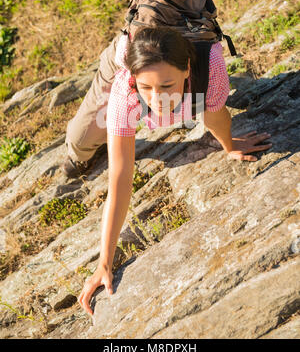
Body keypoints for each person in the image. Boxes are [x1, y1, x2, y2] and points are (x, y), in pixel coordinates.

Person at [64, 26, 272, 316]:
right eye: (146, 88)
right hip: (126, 58)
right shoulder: (124, 92)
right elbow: (120, 179)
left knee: (203, 94)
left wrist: (229, 145)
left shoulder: (210, 66)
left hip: (182, 61)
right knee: (81, 138)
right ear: (134, 80)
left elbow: (215, 114)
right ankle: (78, 152)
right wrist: (104, 264)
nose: (156, 99)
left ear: (187, 69)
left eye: (165, 86)